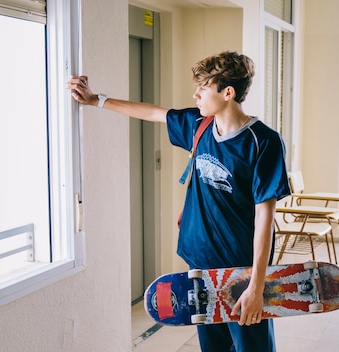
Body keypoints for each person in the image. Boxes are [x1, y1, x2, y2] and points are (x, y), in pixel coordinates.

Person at [67, 51, 291, 352]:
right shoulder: (199, 126)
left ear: (228, 92)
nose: (195, 94)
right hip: (198, 263)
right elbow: (154, 113)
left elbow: (265, 217)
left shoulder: (263, 141)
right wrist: (97, 100)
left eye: (203, 87)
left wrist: (257, 284)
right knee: (212, 348)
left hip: (240, 270)